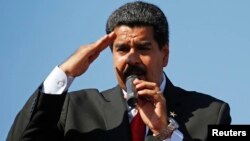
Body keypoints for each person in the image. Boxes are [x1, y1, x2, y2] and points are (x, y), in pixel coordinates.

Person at [7, 1, 231, 141]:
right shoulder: (74, 108)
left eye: (143, 48)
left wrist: (166, 134)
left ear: (164, 55)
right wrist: (64, 73)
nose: (132, 59)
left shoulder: (212, 113)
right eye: (122, 49)